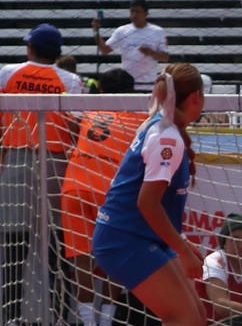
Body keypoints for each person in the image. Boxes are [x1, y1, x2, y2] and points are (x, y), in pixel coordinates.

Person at [91, 62, 208, 326]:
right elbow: (147, 203)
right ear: (196, 97)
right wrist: (181, 247)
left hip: (136, 236)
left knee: (197, 317)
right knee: (184, 317)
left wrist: (181, 243)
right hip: (123, 238)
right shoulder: (166, 136)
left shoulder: (164, 128)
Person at [0, 23, 85, 323]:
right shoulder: (71, 80)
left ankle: (10, 317)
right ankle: (61, 314)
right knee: (56, 246)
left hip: (17, 159)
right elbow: (77, 128)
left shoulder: (8, 73)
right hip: (56, 162)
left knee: (13, 245)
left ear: (30, 48)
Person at [60, 67, 145, 326]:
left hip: (75, 186)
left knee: (80, 262)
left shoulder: (88, 112)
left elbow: (72, 129)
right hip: (112, 192)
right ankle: (106, 321)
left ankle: (87, 321)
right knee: (116, 257)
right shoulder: (143, 119)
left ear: (100, 91)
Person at [92, 0, 170, 91]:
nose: (134, 15)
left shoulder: (157, 32)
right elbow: (105, 50)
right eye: (132, 11)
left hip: (149, 84)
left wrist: (151, 52)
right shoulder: (122, 31)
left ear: (146, 14)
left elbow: (165, 57)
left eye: (137, 11)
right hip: (126, 84)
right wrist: (96, 32)